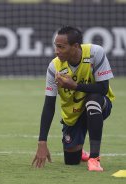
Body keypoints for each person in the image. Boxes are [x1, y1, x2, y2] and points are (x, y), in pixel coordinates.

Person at [32, 26, 115, 172]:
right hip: (73, 114)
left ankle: (94, 159)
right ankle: (79, 151)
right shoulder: (54, 67)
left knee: (93, 101)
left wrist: (75, 86)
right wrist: (42, 142)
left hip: (100, 104)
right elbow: (49, 105)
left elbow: (103, 88)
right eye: (55, 46)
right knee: (71, 161)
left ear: (75, 46)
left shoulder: (95, 52)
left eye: (61, 47)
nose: (56, 51)